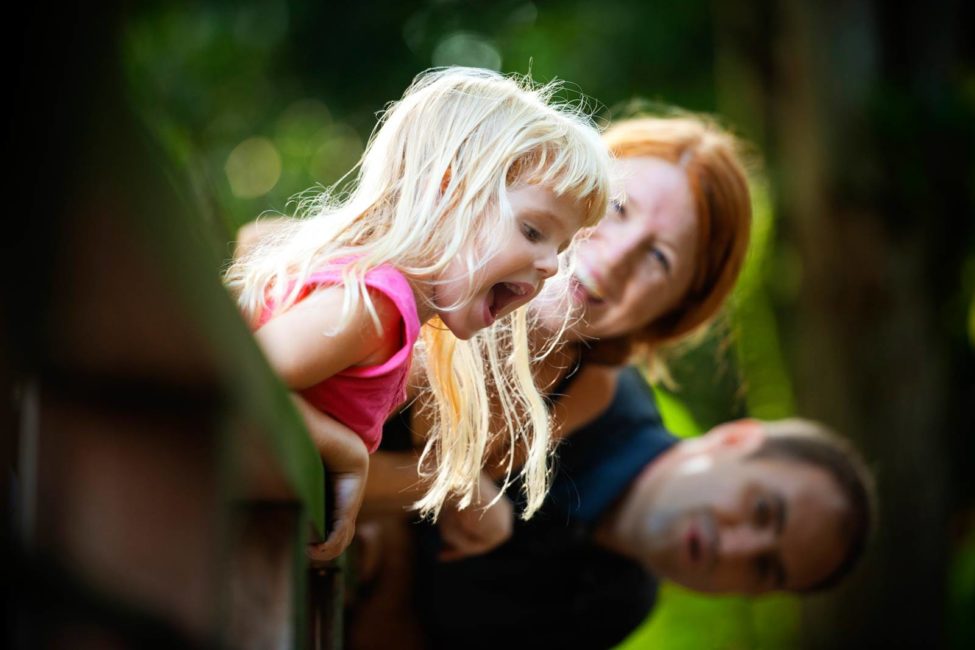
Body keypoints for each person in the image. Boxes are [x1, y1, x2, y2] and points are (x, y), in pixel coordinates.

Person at [346, 114, 870, 647]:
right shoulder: (440, 243)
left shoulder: (572, 390)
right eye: (616, 208)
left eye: (659, 260)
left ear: (666, 315)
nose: (616, 257)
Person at [225, 67, 610, 559]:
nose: (552, 266)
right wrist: (341, 449)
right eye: (534, 231)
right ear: (444, 194)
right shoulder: (377, 303)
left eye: (562, 246)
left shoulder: (392, 316)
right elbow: (238, 374)